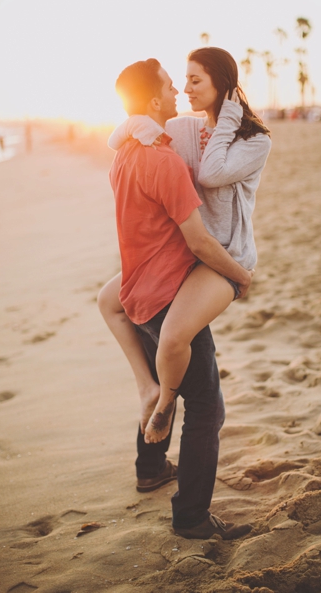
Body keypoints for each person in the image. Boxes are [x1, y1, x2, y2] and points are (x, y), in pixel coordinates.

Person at [106, 57, 257, 540]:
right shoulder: (164, 160)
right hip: (170, 291)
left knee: (157, 379)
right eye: (173, 86)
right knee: (206, 407)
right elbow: (198, 243)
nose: (178, 93)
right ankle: (191, 517)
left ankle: (150, 467)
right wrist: (240, 276)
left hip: (136, 292)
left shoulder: (124, 152)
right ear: (153, 101)